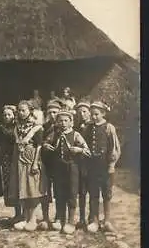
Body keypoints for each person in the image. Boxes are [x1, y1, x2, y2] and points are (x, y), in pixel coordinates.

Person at [43, 110, 90, 234]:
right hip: (58, 168)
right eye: (60, 121)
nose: (63, 123)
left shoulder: (75, 135)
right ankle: (59, 219)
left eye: (66, 121)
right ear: (57, 122)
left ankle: (70, 221)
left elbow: (87, 151)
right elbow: (45, 143)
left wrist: (79, 150)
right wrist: (46, 146)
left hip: (72, 168)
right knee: (59, 193)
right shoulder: (54, 134)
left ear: (71, 122)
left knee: (72, 193)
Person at [8, 101, 47, 232]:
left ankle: (33, 219)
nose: (21, 112)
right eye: (19, 110)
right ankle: (25, 217)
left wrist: (35, 162)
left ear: (30, 111)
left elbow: (39, 146)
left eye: (23, 110)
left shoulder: (36, 127)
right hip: (18, 159)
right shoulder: (17, 126)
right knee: (22, 188)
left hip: (31, 159)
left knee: (32, 189)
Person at [85, 101, 121, 233]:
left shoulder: (109, 128)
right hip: (92, 167)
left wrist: (112, 164)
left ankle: (107, 220)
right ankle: (94, 220)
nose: (94, 117)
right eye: (92, 114)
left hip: (105, 167)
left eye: (96, 114)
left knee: (106, 193)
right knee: (93, 193)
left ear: (103, 113)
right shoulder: (88, 127)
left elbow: (114, 147)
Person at [39, 100, 62, 229]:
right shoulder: (44, 126)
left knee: (59, 190)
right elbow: (39, 141)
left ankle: (59, 217)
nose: (53, 115)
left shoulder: (63, 126)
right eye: (50, 112)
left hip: (59, 163)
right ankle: (45, 217)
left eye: (55, 112)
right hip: (46, 162)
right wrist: (44, 145)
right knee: (45, 191)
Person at [0, 105, 21, 224]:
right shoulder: (1, 127)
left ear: (14, 115)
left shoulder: (17, 127)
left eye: (9, 114)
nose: (6, 117)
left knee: (18, 184)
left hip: (16, 158)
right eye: (5, 115)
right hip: (6, 159)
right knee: (9, 186)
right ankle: (16, 213)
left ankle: (22, 214)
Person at [74, 101, 92, 230]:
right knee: (81, 191)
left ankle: (92, 218)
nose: (82, 114)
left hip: (91, 163)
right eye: (80, 112)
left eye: (84, 111)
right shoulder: (75, 127)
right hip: (79, 163)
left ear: (89, 112)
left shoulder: (93, 127)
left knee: (93, 191)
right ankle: (81, 218)